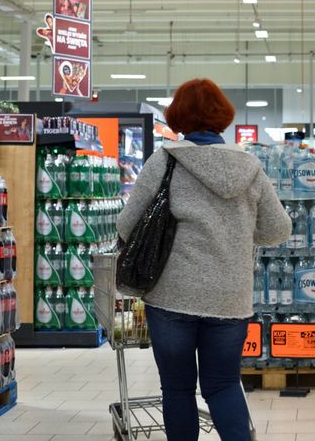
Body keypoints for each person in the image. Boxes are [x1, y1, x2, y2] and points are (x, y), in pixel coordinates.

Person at [117, 78, 291, 441]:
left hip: (171, 296)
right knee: (224, 384)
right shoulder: (250, 167)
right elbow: (278, 228)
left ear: (178, 116)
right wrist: (239, 234)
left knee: (177, 388)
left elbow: (126, 224)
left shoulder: (164, 161)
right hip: (229, 297)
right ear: (222, 116)